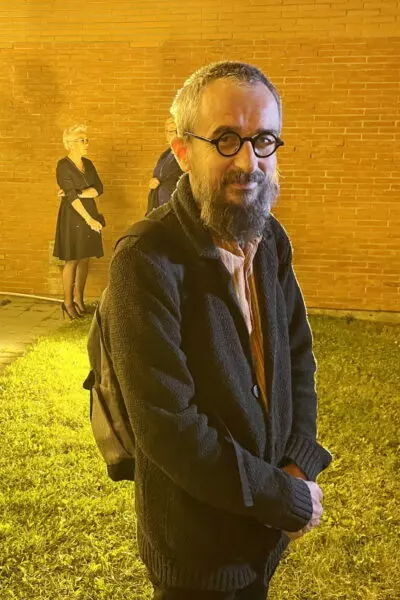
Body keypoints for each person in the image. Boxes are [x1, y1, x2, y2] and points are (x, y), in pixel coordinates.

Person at [101, 61, 332, 599]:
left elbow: (298, 358)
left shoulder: (270, 238)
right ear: (183, 151)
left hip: (263, 537)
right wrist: (282, 497)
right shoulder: (146, 259)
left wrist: (298, 463)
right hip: (196, 551)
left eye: (264, 140)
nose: (248, 162)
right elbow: (169, 428)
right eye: (226, 139)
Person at [53, 124, 104, 320]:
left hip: (89, 209)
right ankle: (67, 303)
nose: (86, 144)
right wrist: (89, 219)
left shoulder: (88, 164)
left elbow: (99, 189)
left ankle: (79, 300)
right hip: (73, 215)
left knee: (85, 258)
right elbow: (71, 198)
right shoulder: (63, 165)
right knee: (72, 259)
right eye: (82, 140)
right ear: (70, 144)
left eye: (86, 140)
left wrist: (79, 193)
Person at [146, 116, 184, 215]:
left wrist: (160, 180)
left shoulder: (184, 153)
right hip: (159, 203)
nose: (169, 135)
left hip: (174, 205)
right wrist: (153, 180)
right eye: (167, 131)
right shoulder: (166, 154)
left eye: (172, 131)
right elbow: (158, 174)